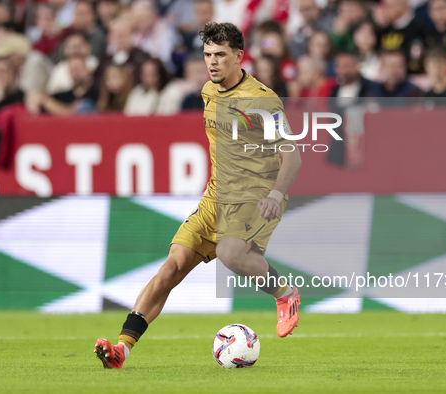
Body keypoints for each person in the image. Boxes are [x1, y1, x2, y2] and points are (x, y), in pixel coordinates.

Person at [93, 21, 302, 370]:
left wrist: (277, 195)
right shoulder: (208, 91)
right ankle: (122, 350)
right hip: (214, 199)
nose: (213, 62)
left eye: (220, 55)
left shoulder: (262, 100)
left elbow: (292, 155)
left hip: (256, 197)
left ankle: (285, 294)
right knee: (171, 268)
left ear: (239, 56)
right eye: (208, 55)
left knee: (230, 252)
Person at [26, 55, 99, 115]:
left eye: (78, 69)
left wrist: (46, 102)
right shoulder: (63, 96)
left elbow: (76, 114)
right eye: (72, 70)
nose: (76, 73)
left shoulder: (98, 93)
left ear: (88, 70)